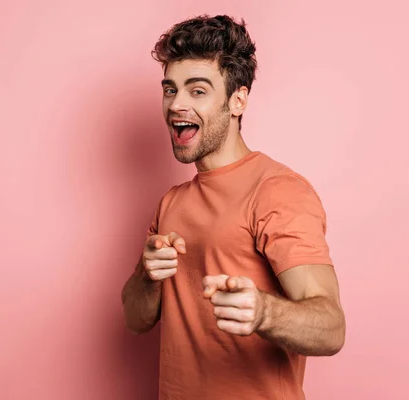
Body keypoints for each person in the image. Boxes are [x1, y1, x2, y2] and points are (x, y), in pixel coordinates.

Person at [120, 14, 346, 400]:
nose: (177, 105)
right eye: (170, 90)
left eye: (197, 90)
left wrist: (263, 312)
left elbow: (331, 328)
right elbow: (136, 320)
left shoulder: (276, 191)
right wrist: (146, 274)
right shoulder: (172, 202)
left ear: (237, 100)